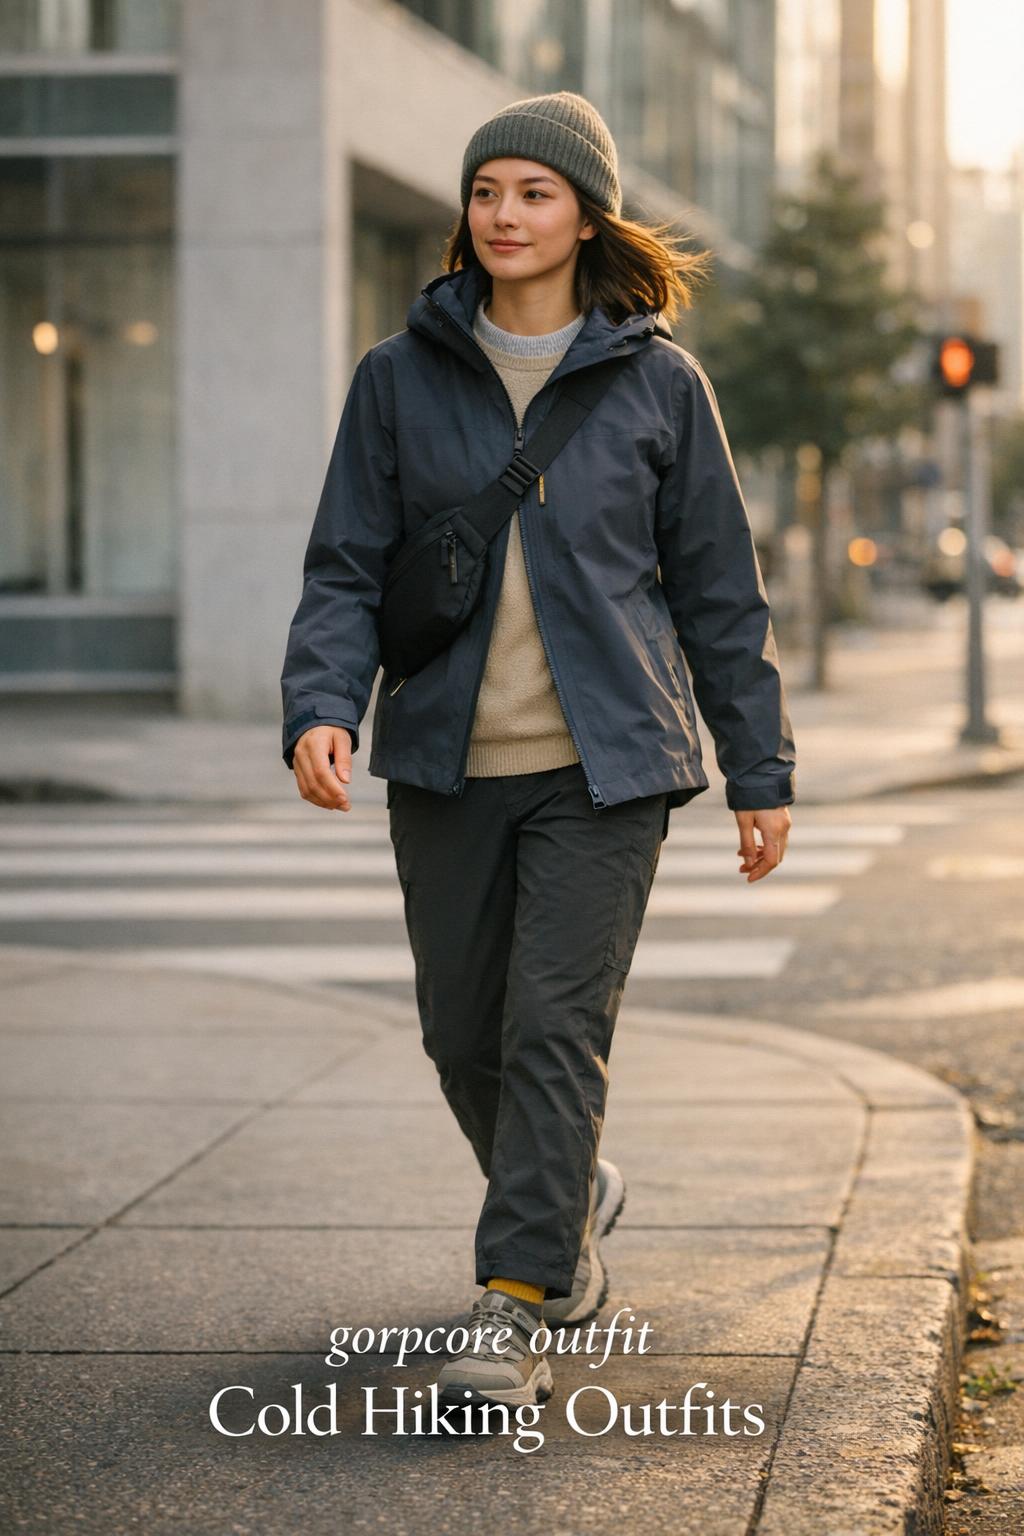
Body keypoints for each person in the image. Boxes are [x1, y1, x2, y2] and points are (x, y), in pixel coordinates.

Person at [280, 91, 796, 1411]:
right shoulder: (398, 379)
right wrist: (322, 704)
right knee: (463, 1033)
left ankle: (513, 1309)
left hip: (606, 768)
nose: (504, 215)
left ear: (585, 216)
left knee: (554, 1025)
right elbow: (345, 566)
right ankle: (569, 1198)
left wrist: (760, 770)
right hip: (446, 761)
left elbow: (719, 592)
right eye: (487, 191)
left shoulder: (657, 382)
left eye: (535, 193)